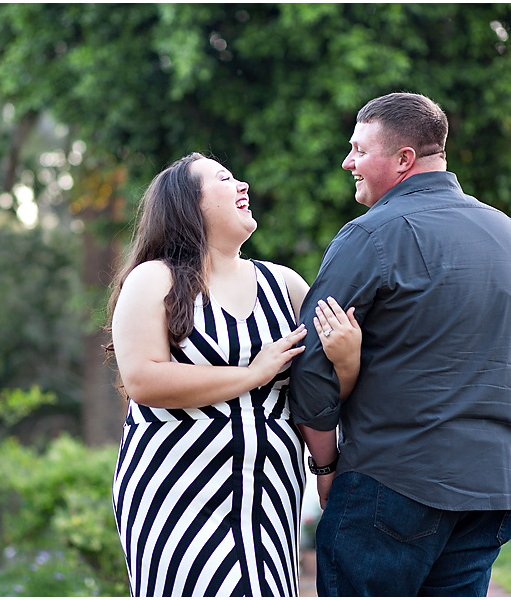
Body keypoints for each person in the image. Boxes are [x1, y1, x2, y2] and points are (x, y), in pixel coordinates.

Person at [289, 93, 511, 596]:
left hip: (392, 485)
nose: (348, 162)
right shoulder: (509, 235)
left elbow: (311, 367)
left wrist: (326, 468)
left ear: (404, 159)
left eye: (360, 150)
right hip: (492, 488)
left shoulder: (372, 234)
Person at [107, 152, 361, 597]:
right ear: (189, 205)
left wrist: (348, 360)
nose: (243, 185)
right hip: (177, 491)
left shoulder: (285, 284)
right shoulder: (154, 279)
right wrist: (253, 373)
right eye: (225, 179)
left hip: (271, 494)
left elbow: (317, 392)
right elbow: (143, 380)